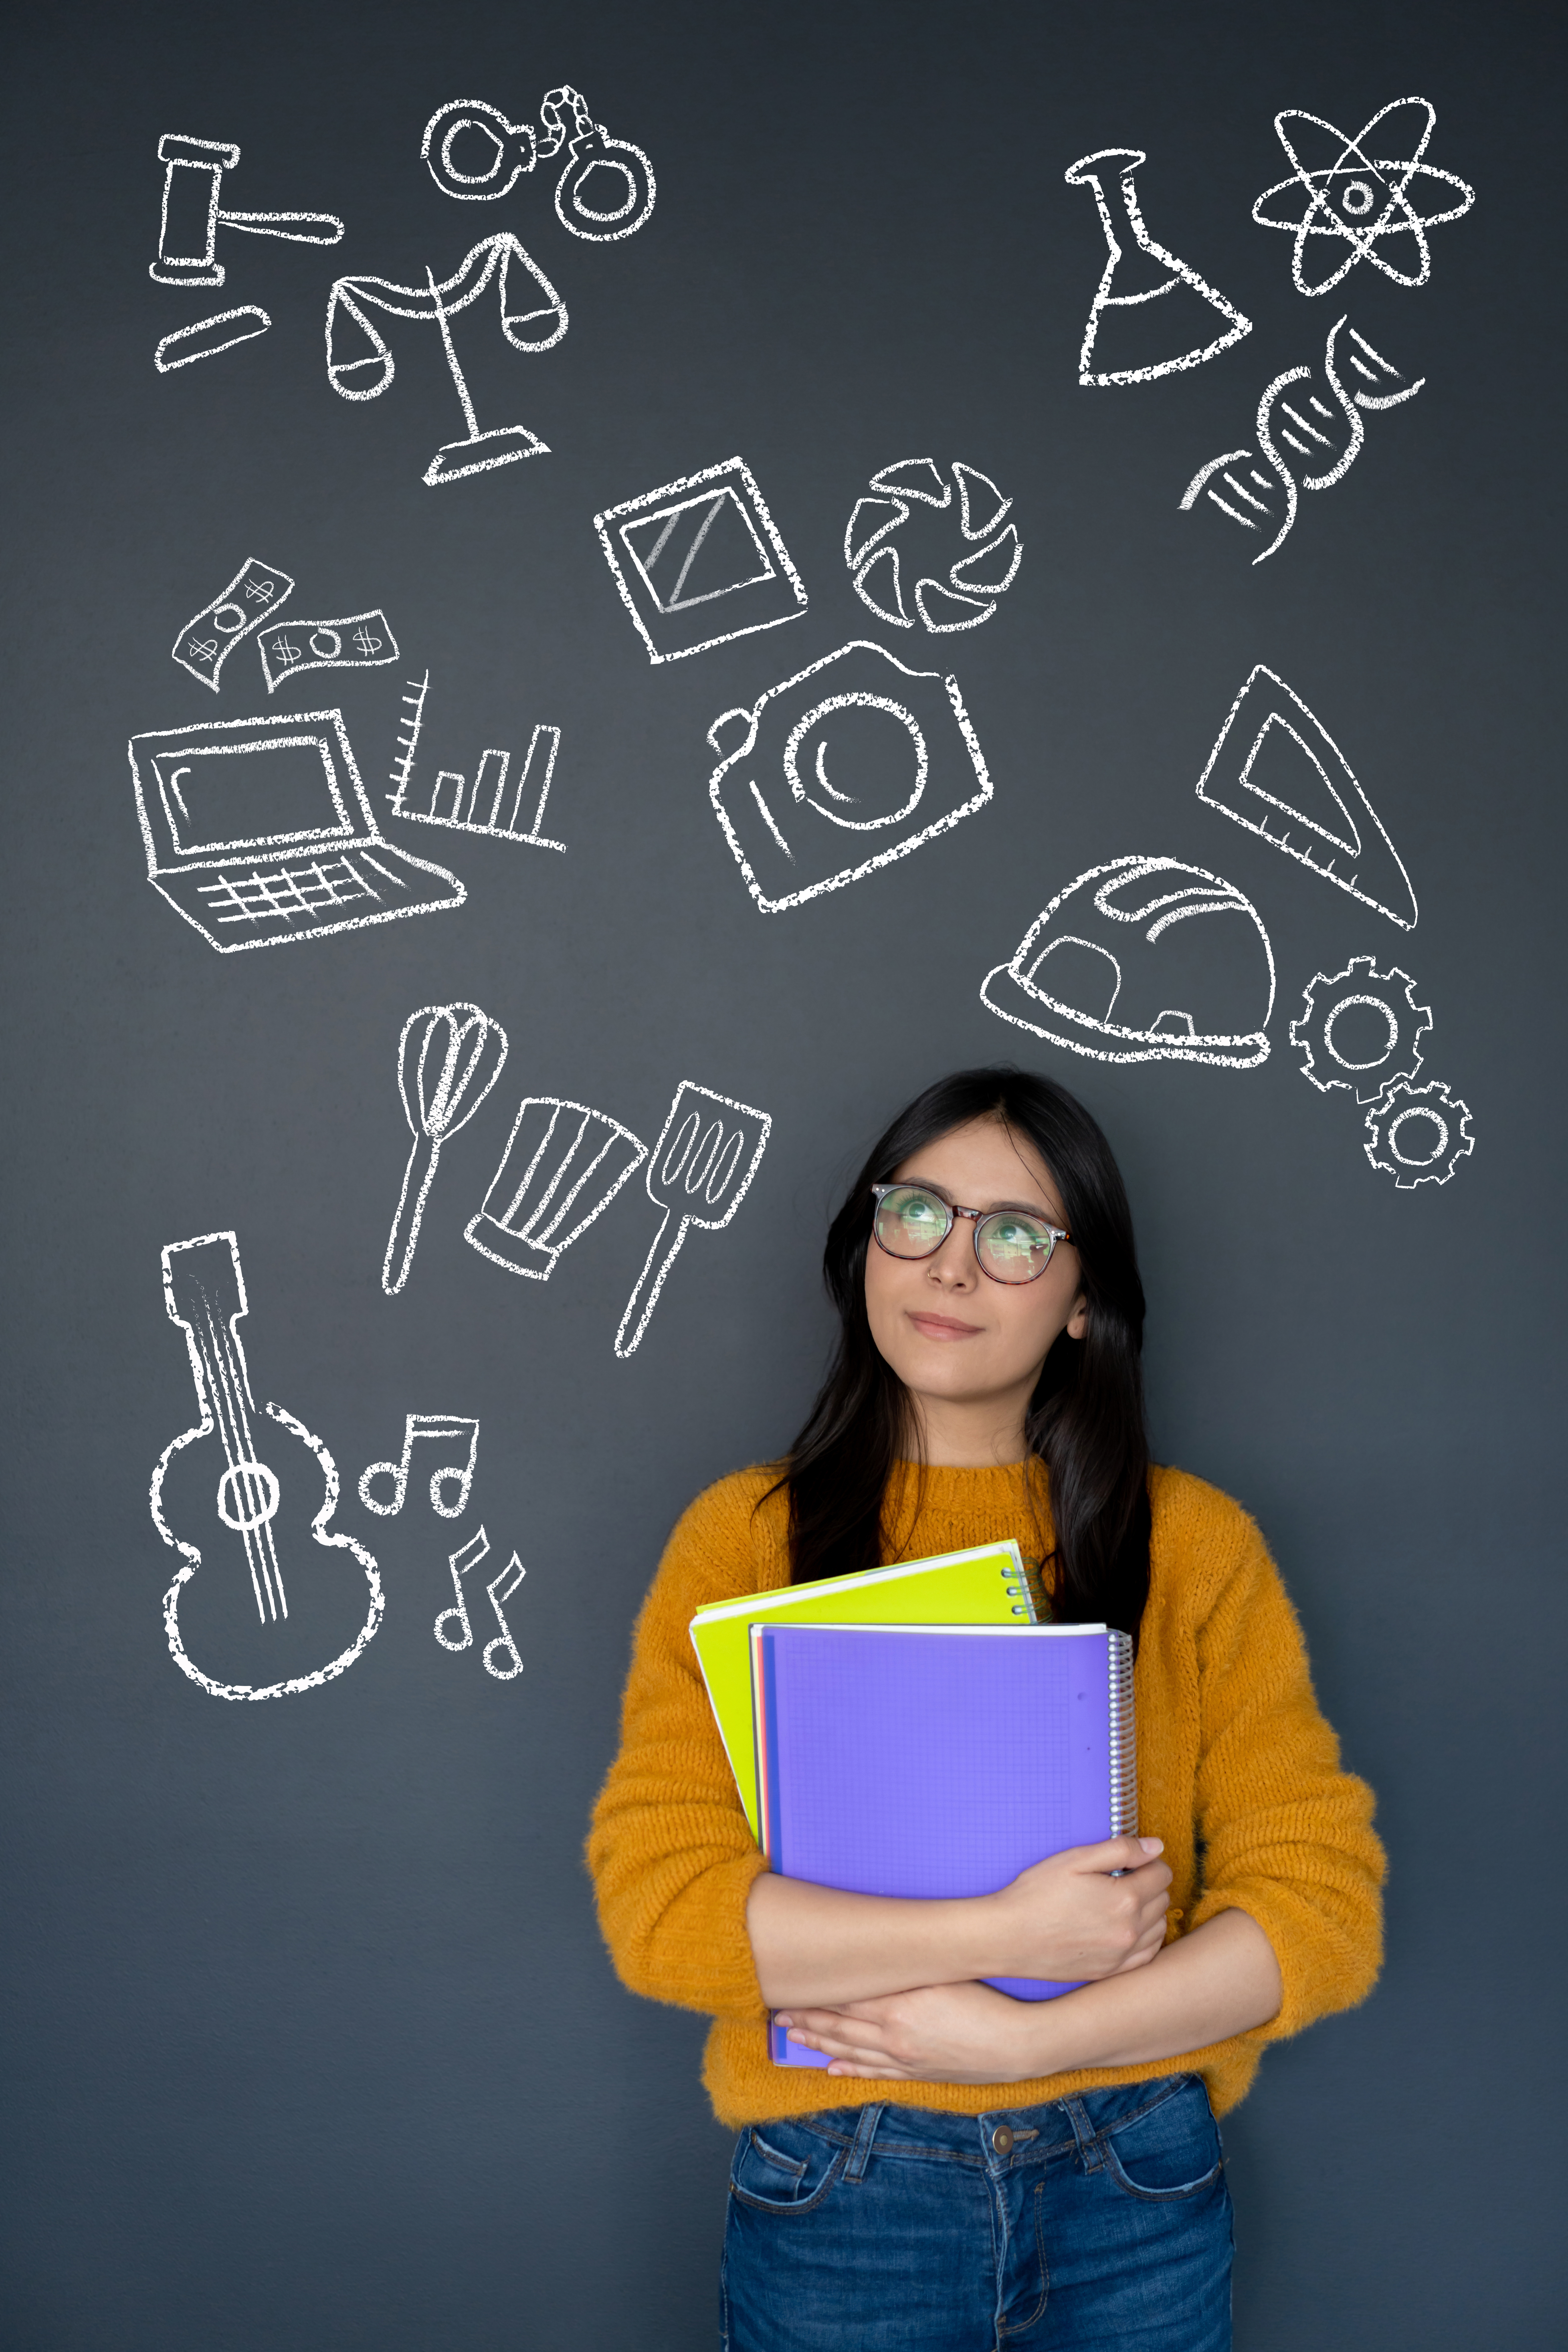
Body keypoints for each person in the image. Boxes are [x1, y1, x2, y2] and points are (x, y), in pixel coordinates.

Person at [589, 1068, 1384, 2351]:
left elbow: (1321, 1910)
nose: (951, 1267)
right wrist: (1012, 1928)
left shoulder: (1191, 1543)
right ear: (866, 1246)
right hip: (842, 2183)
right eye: (919, 1213)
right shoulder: (745, 1537)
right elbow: (663, 1911)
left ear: (1083, 1303)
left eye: (1015, 1234)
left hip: (1134, 2184)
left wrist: (1030, 2041)